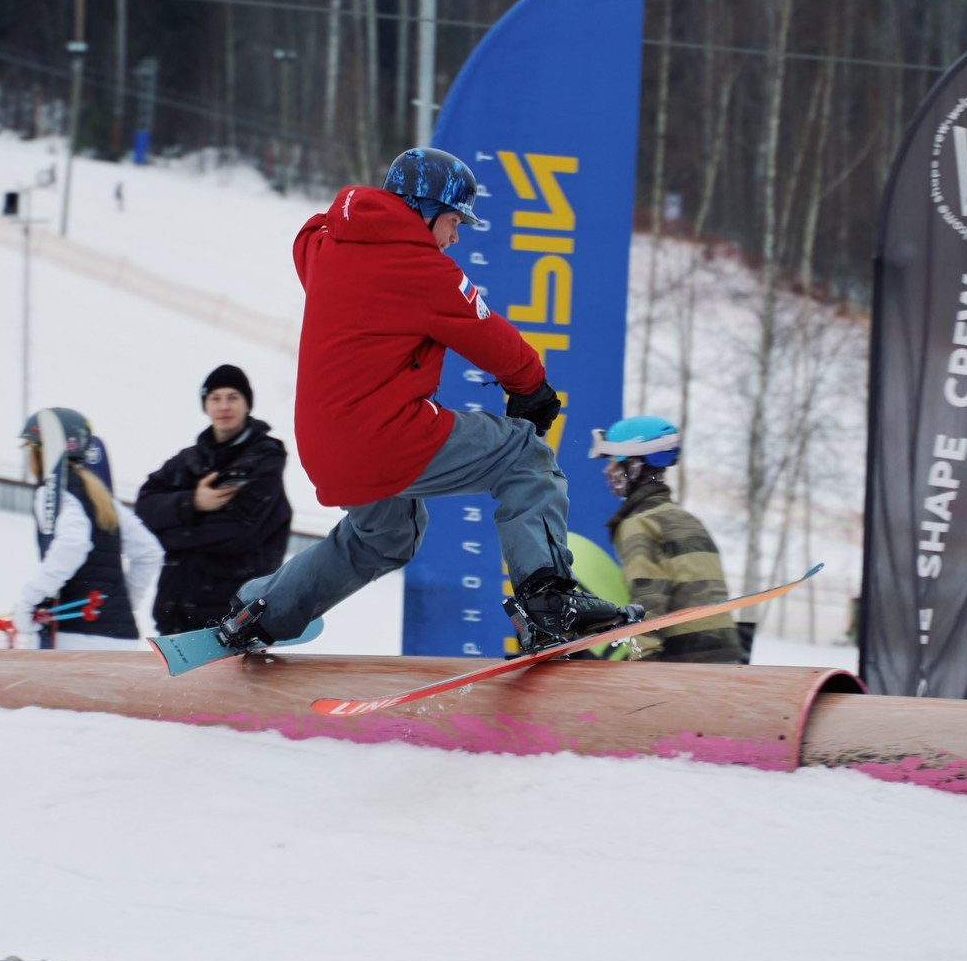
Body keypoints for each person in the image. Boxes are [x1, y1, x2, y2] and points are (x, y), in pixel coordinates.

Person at [209, 149, 636, 654]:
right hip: (384, 435)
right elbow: (489, 334)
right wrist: (532, 388)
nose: (455, 236)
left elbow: (310, 230)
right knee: (525, 455)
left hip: (324, 446)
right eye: (453, 221)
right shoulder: (422, 270)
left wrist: (356, 209)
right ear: (424, 209)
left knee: (387, 537)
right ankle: (546, 599)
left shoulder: (324, 249)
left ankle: (261, 612)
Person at [135, 364, 294, 636]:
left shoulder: (265, 461)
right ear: (205, 405)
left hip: (236, 621)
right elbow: (145, 504)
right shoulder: (187, 460)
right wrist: (192, 502)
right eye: (215, 398)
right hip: (174, 614)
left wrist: (169, 533)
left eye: (233, 397)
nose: (224, 406)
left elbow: (238, 533)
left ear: (247, 404)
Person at [591, 416, 744, 663]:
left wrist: (644, 658)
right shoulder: (684, 518)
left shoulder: (639, 523)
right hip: (724, 654)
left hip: (685, 662)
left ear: (635, 467)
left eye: (613, 463)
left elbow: (648, 597)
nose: (607, 471)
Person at [12, 407, 163, 646]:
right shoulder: (103, 498)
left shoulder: (53, 493)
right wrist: (121, 604)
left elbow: (73, 544)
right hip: (122, 640)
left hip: (73, 638)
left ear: (43, 451)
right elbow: (149, 552)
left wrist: (29, 601)